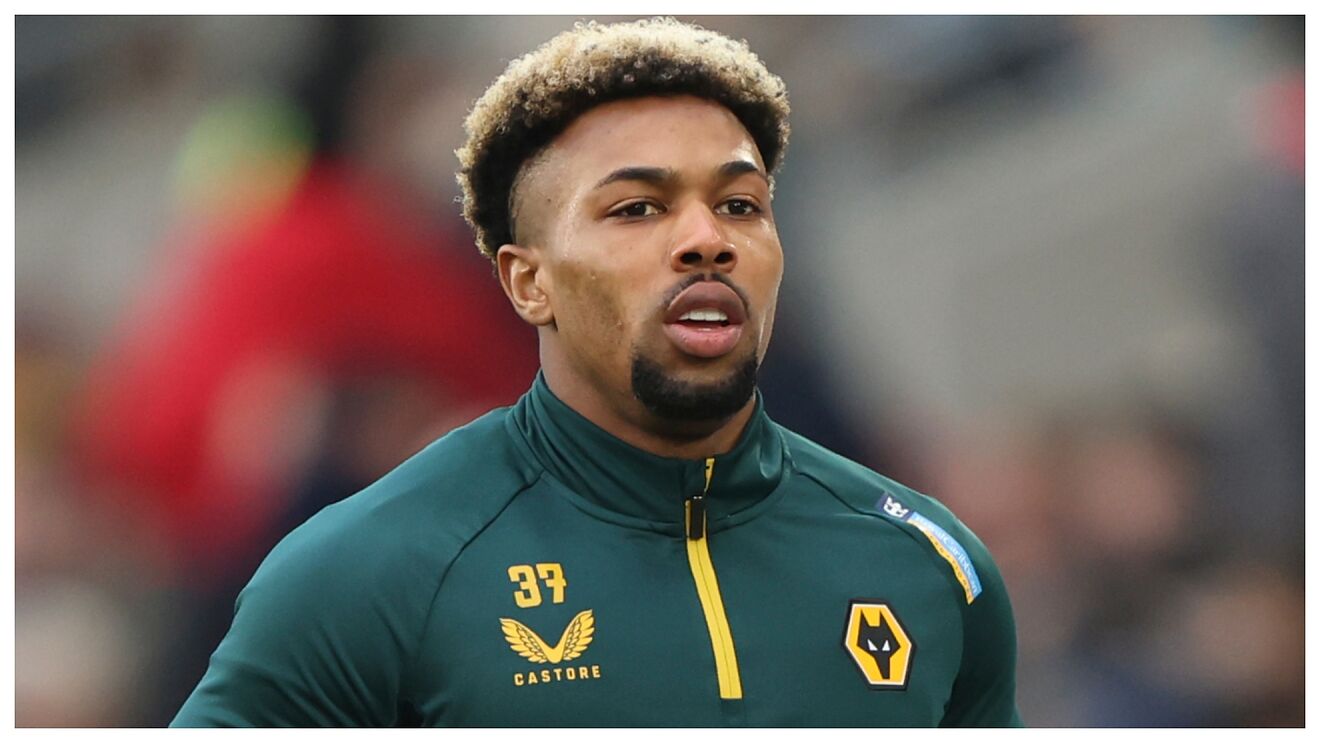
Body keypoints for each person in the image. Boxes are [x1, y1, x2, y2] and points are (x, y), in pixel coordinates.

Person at [172, 18, 1022, 727]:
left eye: (739, 204)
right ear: (527, 281)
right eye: (637, 208)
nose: (706, 239)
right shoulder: (364, 570)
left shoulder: (930, 561)